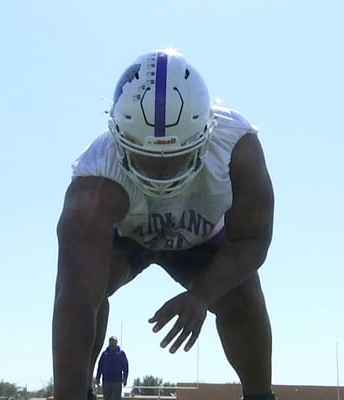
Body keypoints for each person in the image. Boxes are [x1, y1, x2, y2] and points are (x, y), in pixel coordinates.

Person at [52, 49, 276, 400]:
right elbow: (75, 299)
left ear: (206, 133)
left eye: (176, 157)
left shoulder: (237, 146)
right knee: (87, 287)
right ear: (117, 138)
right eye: (146, 156)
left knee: (242, 292)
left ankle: (260, 396)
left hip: (201, 239)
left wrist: (202, 295)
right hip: (130, 238)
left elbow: (253, 241)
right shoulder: (96, 178)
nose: (160, 171)